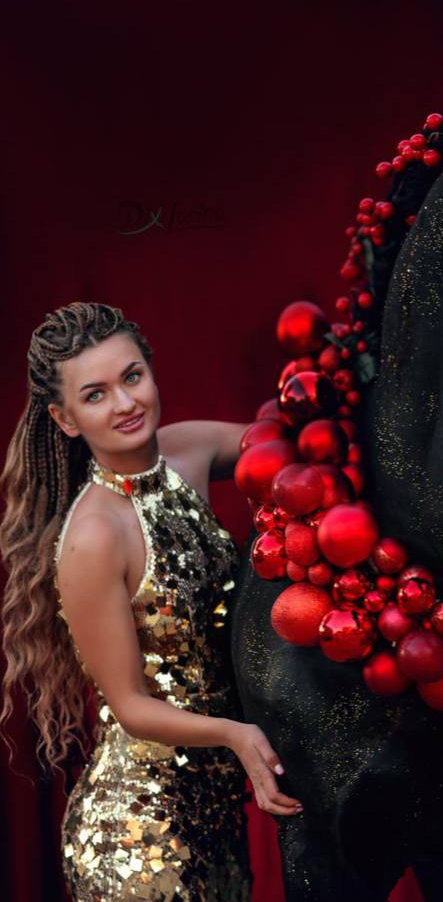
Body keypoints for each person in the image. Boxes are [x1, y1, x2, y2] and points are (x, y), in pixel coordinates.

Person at [0, 301, 302, 901]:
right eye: (95, 395)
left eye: (131, 376)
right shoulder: (94, 536)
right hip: (138, 839)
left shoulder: (189, 449)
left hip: (217, 819)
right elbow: (131, 707)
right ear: (65, 418)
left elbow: (293, 449)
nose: (124, 403)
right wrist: (238, 735)